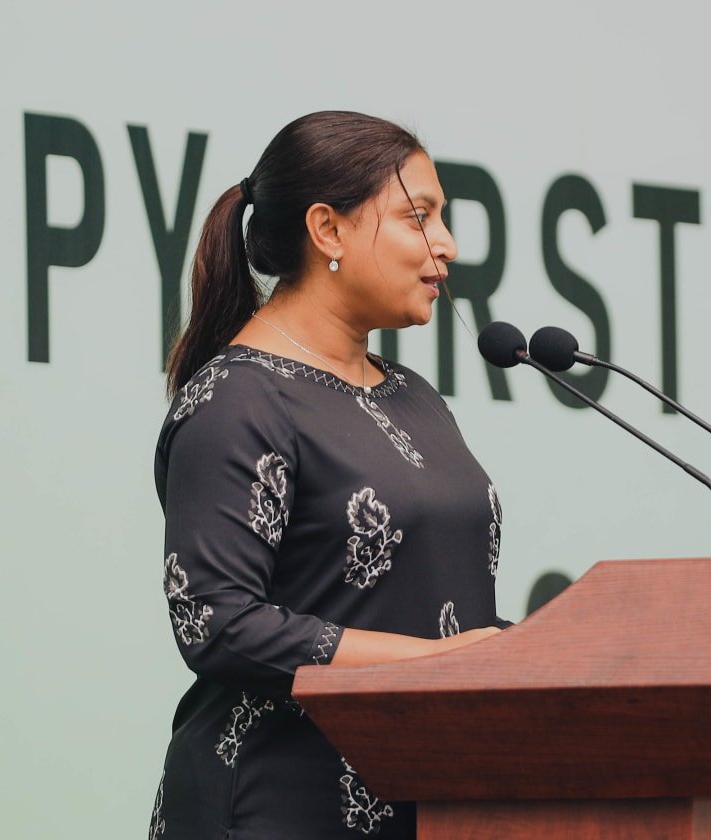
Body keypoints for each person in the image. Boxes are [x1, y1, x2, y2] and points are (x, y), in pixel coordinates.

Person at [149, 111, 508, 839]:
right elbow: (216, 622)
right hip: (276, 806)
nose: (446, 244)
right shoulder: (238, 399)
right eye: (418, 217)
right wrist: (433, 664)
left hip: (426, 804)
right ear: (328, 230)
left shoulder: (412, 396)